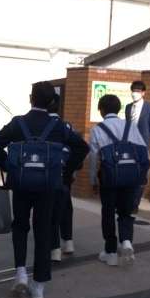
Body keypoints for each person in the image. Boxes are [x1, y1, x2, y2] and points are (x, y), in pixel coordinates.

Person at [0, 81, 89, 298]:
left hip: (21, 184)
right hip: (48, 185)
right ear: (52, 102)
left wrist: (10, 167)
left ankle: (20, 272)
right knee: (43, 229)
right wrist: (65, 171)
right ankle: (39, 286)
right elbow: (83, 147)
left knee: (20, 226)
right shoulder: (59, 126)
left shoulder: (18, 123)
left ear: (30, 98)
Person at [89, 93, 148, 267]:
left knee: (108, 212)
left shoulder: (97, 129)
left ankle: (111, 253)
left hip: (109, 178)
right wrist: (143, 176)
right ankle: (126, 240)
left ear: (101, 110)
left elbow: (93, 157)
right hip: (131, 177)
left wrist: (93, 180)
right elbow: (144, 152)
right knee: (126, 211)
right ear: (119, 109)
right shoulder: (131, 126)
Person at [49, 92, 87, 260]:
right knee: (65, 205)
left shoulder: (43, 125)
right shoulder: (66, 126)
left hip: (48, 173)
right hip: (65, 173)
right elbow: (79, 148)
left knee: (50, 209)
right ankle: (68, 241)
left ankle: (55, 248)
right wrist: (70, 169)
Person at [125, 80, 150, 211]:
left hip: (142, 147)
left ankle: (135, 204)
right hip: (128, 146)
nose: (135, 93)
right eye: (133, 91)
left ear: (143, 93)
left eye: (138, 91)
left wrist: (145, 142)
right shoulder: (128, 107)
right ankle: (126, 202)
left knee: (143, 175)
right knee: (127, 174)